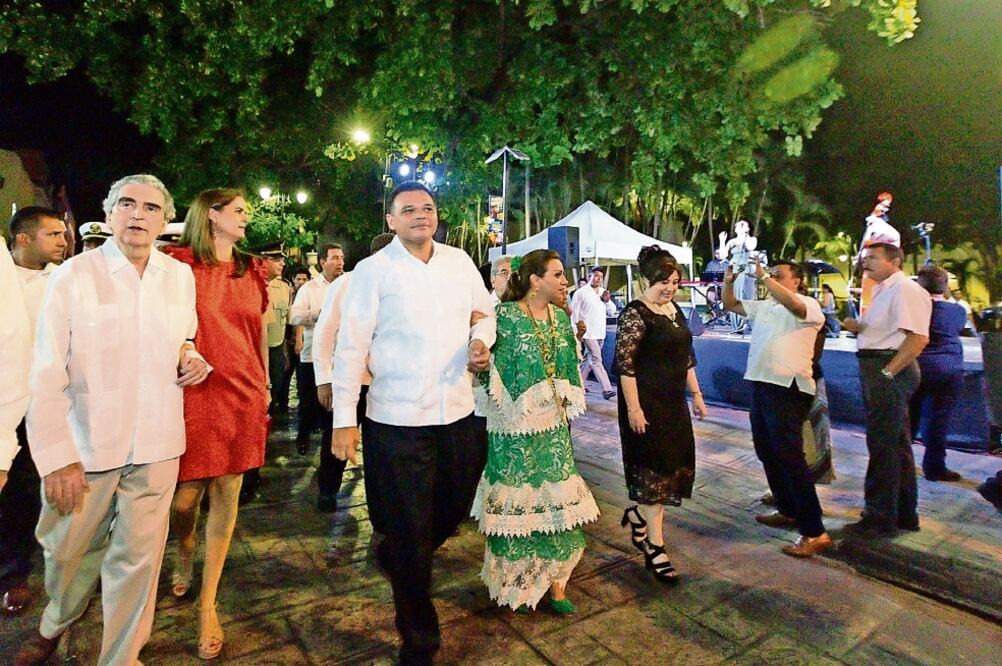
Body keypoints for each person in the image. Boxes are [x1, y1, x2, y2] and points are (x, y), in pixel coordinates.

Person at [16, 174, 209, 665]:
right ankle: (56, 618)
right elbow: (44, 373)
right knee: (65, 552)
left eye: (150, 207)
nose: (138, 215)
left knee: (138, 561)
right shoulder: (73, 276)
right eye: (127, 204)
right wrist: (56, 457)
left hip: (158, 442)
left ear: (165, 221)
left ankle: (121, 657)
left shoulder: (178, 277)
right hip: (85, 448)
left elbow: (182, 337)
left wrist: (190, 355)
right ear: (109, 212)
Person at [330, 182, 495, 665]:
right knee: (409, 528)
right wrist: (344, 420)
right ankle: (419, 637)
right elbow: (350, 348)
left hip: (459, 414)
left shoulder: (459, 262)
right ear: (391, 221)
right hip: (396, 419)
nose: (420, 216)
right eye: (408, 210)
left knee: (452, 508)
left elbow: (485, 312)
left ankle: (404, 552)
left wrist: (481, 340)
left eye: (427, 208)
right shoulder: (372, 272)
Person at [163, 188, 270, 660]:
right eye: (239, 210)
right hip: (193, 393)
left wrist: (266, 385)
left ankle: (208, 605)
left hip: (244, 393)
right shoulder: (175, 264)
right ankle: (183, 546)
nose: (247, 217)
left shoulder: (253, 269)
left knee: (227, 496)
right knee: (182, 501)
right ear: (212, 215)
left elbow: (259, 333)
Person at [471, 249, 598, 612]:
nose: (565, 281)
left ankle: (557, 585)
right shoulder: (505, 316)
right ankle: (517, 585)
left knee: (556, 505)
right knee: (520, 507)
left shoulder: (561, 317)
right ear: (534, 280)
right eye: (557, 275)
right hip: (511, 429)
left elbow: (568, 365)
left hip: (553, 428)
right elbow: (485, 359)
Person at [723, 259, 832, 557]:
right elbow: (730, 304)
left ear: (796, 280)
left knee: (790, 457)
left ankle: (814, 530)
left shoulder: (808, 304)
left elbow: (795, 307)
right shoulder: (767, 306)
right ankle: (788, 508)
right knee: (766, 450)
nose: (770, 278)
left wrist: (763, 278)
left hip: (789, 388)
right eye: (770, 274)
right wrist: (729, 280)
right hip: (762, 384)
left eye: (778, 275)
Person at [616, 246, 707, 582]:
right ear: (646, 279)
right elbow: (624, 367)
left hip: (673, 405)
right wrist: (634, 410)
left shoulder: (674, 310)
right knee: (653, 474)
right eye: (662, 281)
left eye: (674, 281)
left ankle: (637, 518)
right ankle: (655, 547)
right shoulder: (634, 314)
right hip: (646, 405)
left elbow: (686, 356)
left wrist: (696, 395)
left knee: (671, 469)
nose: (669, 288)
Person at [1, 207, 66, 616]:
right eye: (53, 234)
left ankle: (36, 567)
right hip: (4, 402)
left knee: (40, 489)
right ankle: (13, 572)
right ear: (24, 239)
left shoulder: (63, 281)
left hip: (47, 403)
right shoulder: (4, 278)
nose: (63, 241)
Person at [841, 242, 930, 537]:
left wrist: (888, 373)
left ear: (895, 260)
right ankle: (903, 514)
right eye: (864, 258)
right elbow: (888, 331)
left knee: (883, 446)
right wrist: (860, 327)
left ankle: (879, 518)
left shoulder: (904, 289)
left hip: (890, 370)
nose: (865, 263)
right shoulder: (883, 290)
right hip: (881, 368)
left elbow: (917, 339)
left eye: (872, 258)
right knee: (895, 445)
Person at [311, 232, 396, 514]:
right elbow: (324, 333)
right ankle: (328, 490)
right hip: (350, 381)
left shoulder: (403, 285)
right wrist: (323, 380)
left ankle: (380, 504)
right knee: (336, 438)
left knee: (380, 448)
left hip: (387, 385)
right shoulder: (346, 284)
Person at [909, 265, 966, 482]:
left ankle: (901, 465)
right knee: (937, 421)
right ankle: (934, 468)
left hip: (915, 366)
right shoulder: (957, 311)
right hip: (947, 369)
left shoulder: (913, 309)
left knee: (909, 421)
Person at [290, 244, 344, 455]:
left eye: (341, 258)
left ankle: (329, 444)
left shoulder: (348, 285)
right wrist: (316, 315)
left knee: (333, 406)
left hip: (339, 358)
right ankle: (303, 436)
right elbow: (294, 316)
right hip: (312, 356)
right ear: (322, 262)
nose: (340, 262)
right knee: (308, 402)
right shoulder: (309, 289)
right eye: (335, 258)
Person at [573, 267, 616, 400]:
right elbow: (574, 314)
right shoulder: (581, 293)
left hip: (600, 333)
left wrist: (607, 301)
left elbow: (612, 311)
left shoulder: (603, 293)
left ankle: (577, 385)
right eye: (596, 276)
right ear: (589, 276)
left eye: (601, 277)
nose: (599, 279)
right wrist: (576, 334)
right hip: (588, 333)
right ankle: (607, 389)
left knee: (588, 361)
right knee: (596, 360)